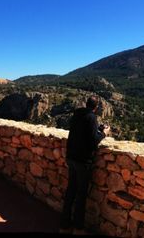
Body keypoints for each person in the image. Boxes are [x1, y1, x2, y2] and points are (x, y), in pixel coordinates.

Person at [60, 96, 109, 233]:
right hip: (82, 161)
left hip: (71, 157)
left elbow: (82, 132)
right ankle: (78, 228)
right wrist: (104, 133)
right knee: (81, 195)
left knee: (70, 191)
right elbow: (93, 140)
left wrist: (96, 129)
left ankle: (64, 225)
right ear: (96, 107)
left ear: (86, 104)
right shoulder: (91, 117)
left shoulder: (77, 115)